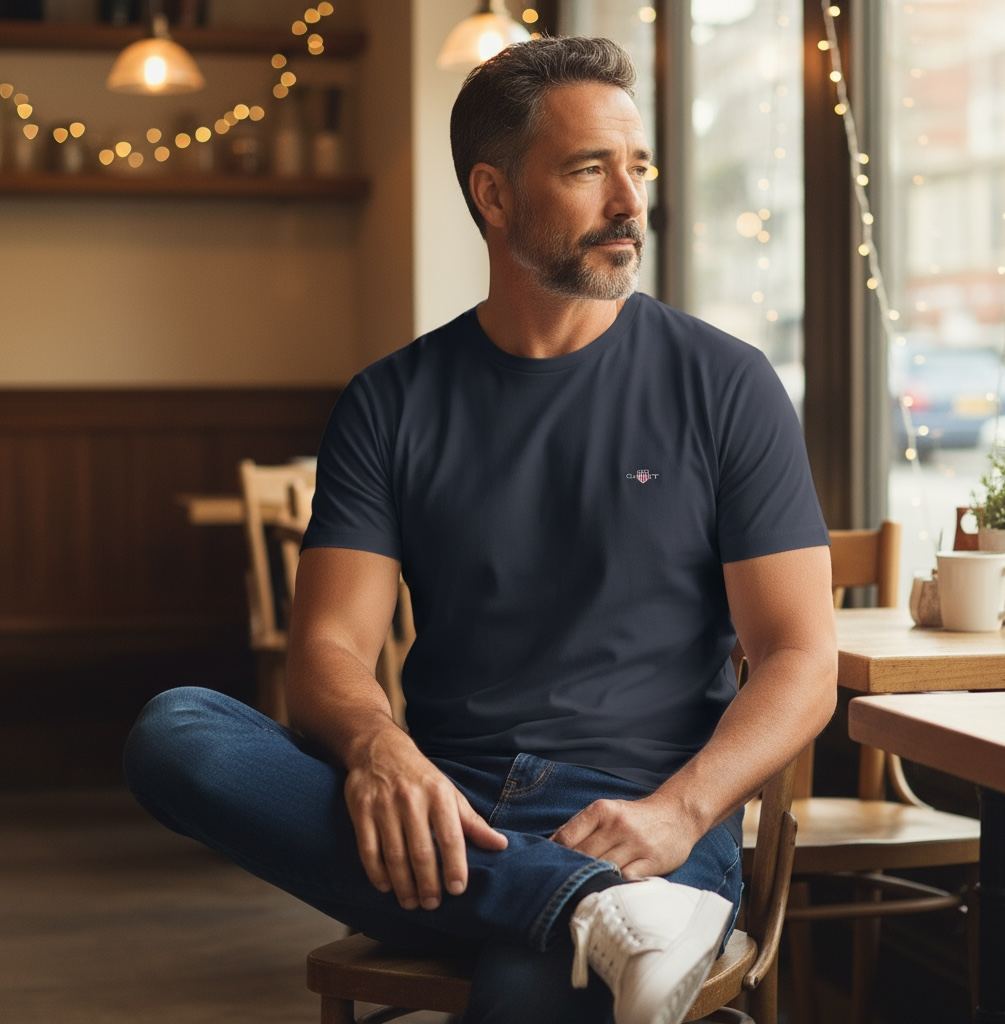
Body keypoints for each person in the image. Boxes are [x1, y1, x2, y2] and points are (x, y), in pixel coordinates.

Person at [123, 35, 838, 1024]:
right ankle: (594, 914)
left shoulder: (725, 385)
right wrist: (379, 748)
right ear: (493, 196)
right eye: (590, 171)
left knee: (526, 991)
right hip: (444, 813)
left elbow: (800, 655)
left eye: (637, 169)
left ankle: (584, 907)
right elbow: (327, 647)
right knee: (177, 731)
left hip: (651, 818)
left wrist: (680, 809)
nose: (630, 203)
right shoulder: (390, 402)